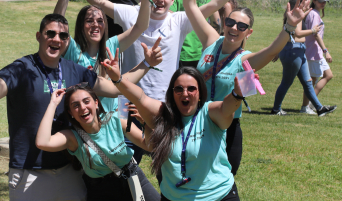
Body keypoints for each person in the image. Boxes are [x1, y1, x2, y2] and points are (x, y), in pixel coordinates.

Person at [182, 0, 336, 182]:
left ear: (249, 32)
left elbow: (272, 50)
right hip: (195, 121)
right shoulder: (210, 41)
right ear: (224, 23)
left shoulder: (245, 59)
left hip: (227, 129)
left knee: (222, 184)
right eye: (231, 22)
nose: (234, 28)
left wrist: (289, 27)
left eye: (241, 26)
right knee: (191, 179)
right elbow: (191, 6)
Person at [0, 14, 161, 201]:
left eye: (63, 36)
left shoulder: (74, 70)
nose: (57, 39)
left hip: (69, 171)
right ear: (39, 36)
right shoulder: (21, 69)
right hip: (30, 170)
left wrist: (147, 64)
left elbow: (113, 88)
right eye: (51, 33)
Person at [73, 0, 256, 104]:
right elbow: (99, 1)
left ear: (172, 0)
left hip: (164, 99)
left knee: (163, 151)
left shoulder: (179, 20)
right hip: (127, 98)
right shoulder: (132, 13)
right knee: (128, 150)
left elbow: (214, 4)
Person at [101, 53, 245, 200]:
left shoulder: (209, 113)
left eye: (191, 89)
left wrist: (236, 94)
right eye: (179, 89)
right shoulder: (164, 115)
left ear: (200, 93)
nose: (185, 93)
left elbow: (225, 109)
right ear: (172, 93)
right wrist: (117, 79)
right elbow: (140, 97)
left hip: (218, 196)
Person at [54, 0, 158, 164]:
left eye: (100, 21)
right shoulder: (73, 51)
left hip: (111, 127)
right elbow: (57, 26)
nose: (95, 24)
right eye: (89, 20)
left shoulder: (111, 46)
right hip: (83, 129)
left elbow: (140, 27)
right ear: (80, 25)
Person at [35, 82, 160, 201]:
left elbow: (148, 145)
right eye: (76, 105)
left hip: (133, 178)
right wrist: (53, 104)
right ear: (70, 112)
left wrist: (145, 125)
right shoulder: (72, 137)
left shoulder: (117, 119)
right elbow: (42, 142)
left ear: (96, 103)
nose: (83, 107)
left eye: (86, 101)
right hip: (102, 190)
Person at [271, 0, 337, 116]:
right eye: (306, 1)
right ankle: (276, 109)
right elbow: (297, 34)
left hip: (299, 51)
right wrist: (312, 31)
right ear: (299, 3)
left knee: (308, 82)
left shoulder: (296, 15)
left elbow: (285, 34)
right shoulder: (296, 15)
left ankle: (319, 109)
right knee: (286, 82)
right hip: (293, 52)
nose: (308, 3)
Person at [301, 0, 335, 113]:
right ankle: (305, 107)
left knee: (328, 75)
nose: (323, 3)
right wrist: (326, 51)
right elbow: (315, 35)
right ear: (314, 1)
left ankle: (311, 104)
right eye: (321, 1)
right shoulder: (314, 14)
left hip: (317, 52)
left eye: (324, 1)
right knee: (311, 81)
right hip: (313, 52)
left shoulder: (314, 13)